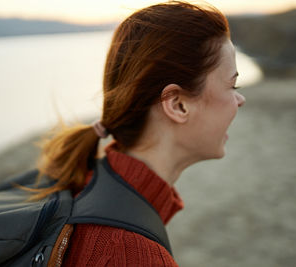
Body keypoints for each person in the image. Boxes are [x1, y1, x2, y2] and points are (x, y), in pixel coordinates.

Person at [33, 1, 246, 266]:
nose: (240, 99)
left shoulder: (93, 180)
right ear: (177, 105)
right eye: (232, 84)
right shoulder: (130, 254)